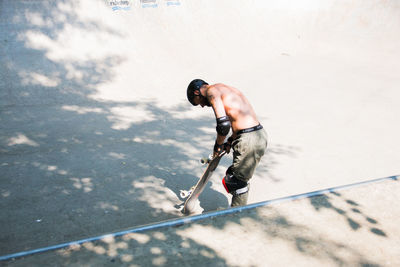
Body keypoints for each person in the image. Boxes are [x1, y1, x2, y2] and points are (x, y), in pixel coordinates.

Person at [186, 79, 268, 207]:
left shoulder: (211, 92)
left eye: (199, 102)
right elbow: (237, 119)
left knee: (236, 183)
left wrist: (217, 146)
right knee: (236, 177)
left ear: (197, 92)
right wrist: (229, 141)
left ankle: (236, 216)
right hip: (258, 135)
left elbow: (223, 125)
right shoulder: (224, 89)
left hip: (248, 139)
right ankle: (237, 212)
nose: (202, 106)